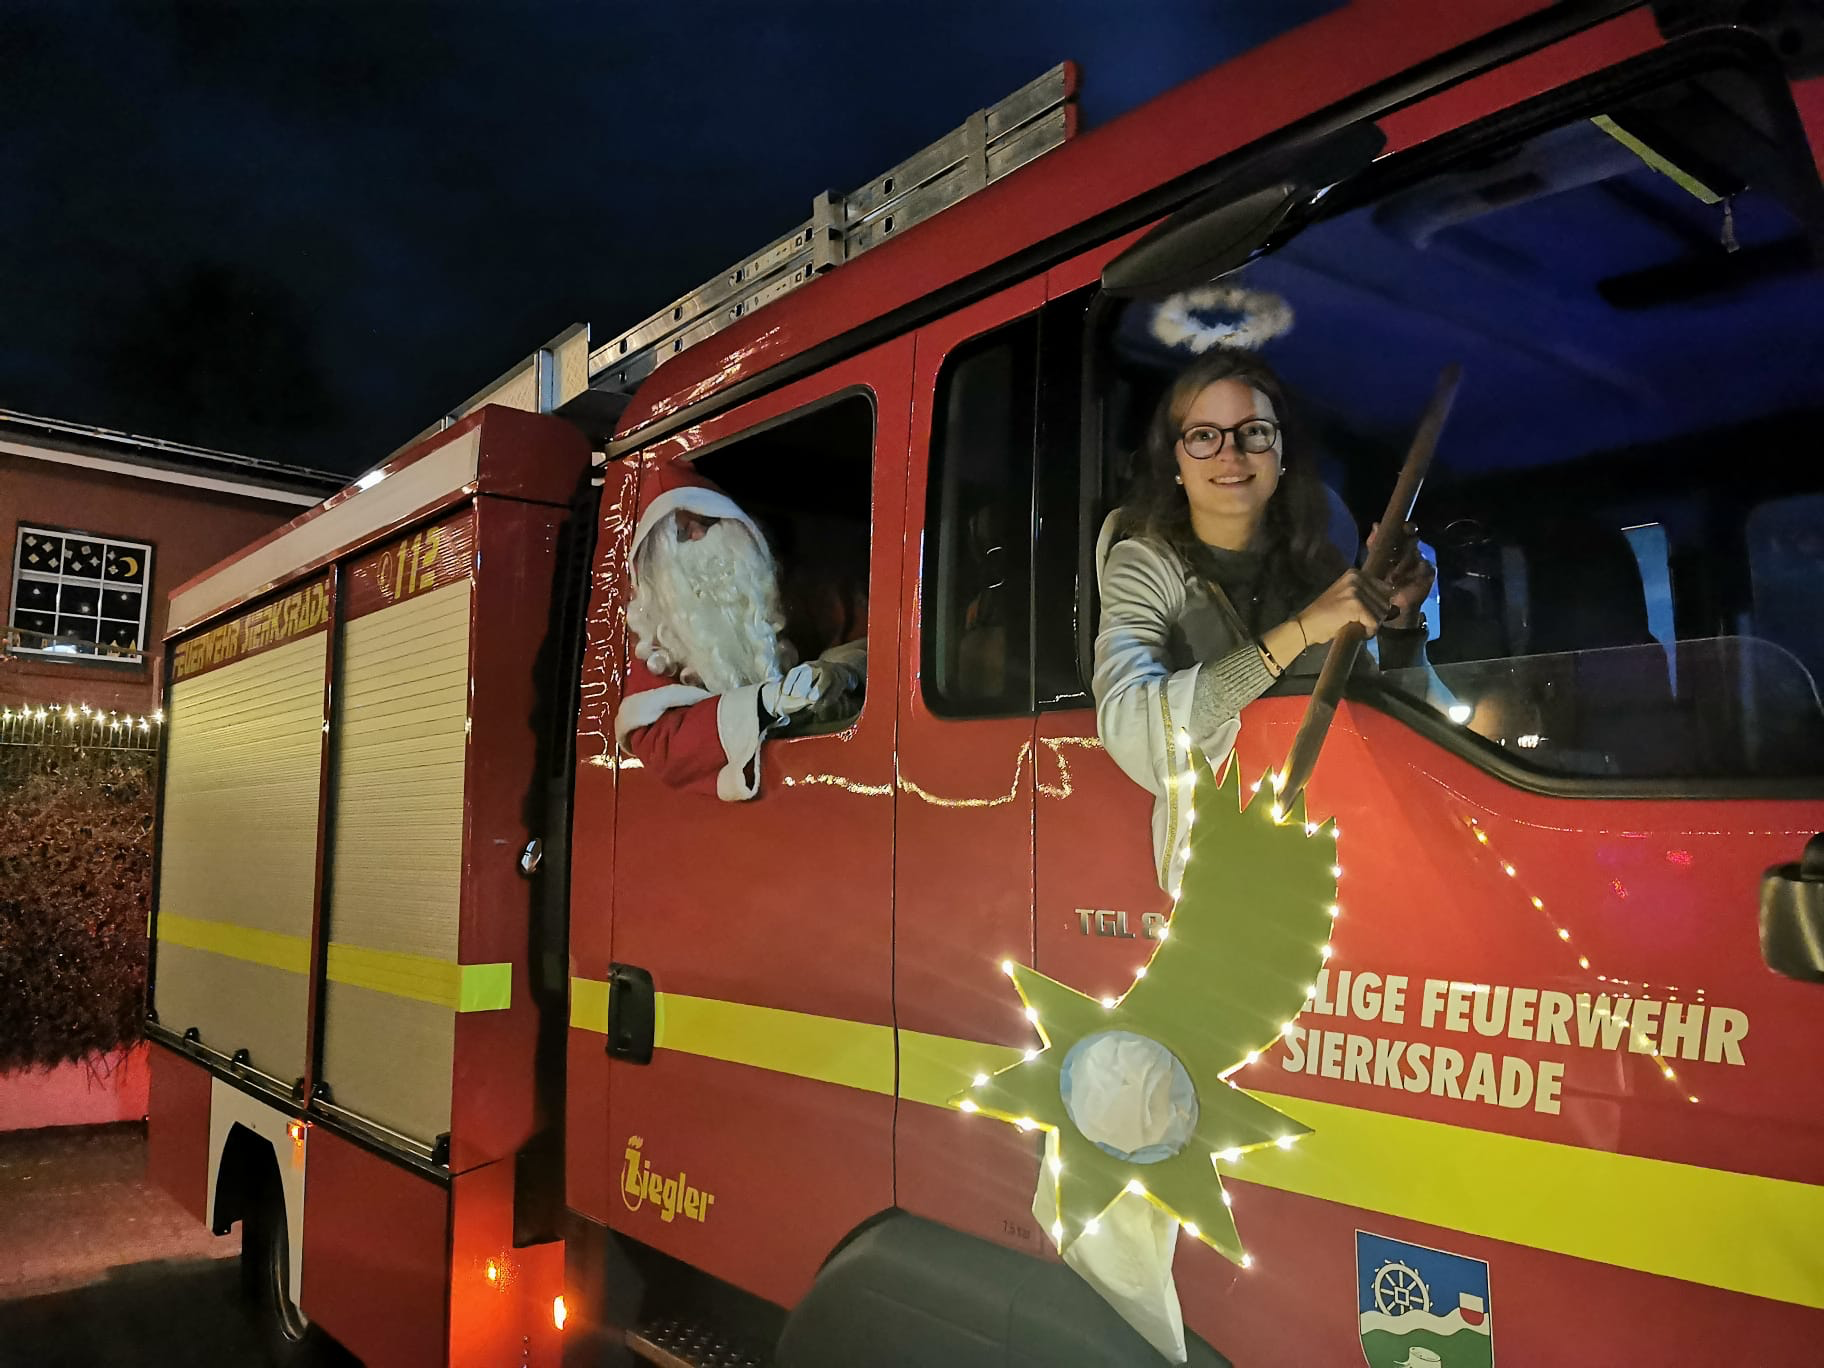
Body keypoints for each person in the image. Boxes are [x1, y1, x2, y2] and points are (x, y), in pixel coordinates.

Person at [1093, 350, 1432, 887]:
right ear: (1174, 462)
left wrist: (1401, 623)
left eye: (1253, 431)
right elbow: (1130, 723)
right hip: (1226, 876)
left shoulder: (1319, 561)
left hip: (1362, 844)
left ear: (1280, 454)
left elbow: (1399, 722)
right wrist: (1299, 633)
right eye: (1204, 435)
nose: (1230, 453)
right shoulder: (1144, 564)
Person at [614, 460, 866, 799]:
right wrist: (763, 703)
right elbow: (665, 747)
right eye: (680, 532)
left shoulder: (802, 593)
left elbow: (881, 638)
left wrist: (843, 668)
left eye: (707, 520)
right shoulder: (656, 644)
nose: (699, 534)